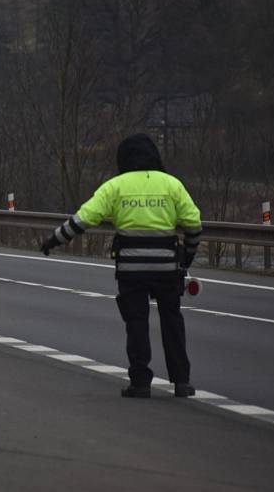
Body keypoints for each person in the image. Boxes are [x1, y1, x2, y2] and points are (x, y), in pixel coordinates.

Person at [40, 133, 202, 398]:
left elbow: (83, 219)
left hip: (131, 270)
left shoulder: (115, 187)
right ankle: (182, 381)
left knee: (136, 322)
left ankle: (140, 382)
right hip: (167, 269)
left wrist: (53, 240)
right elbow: (194, 224)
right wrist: (187, 258)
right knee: (172, 321)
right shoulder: (172, 185)